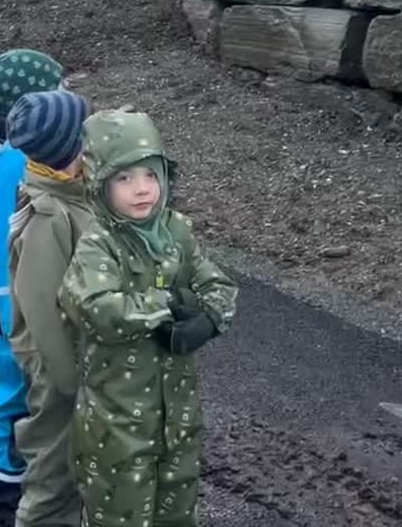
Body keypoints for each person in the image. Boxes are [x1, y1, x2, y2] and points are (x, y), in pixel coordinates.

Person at [59, 110, 238, 527]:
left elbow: (220, 286)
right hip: (116, 426)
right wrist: (167, 303)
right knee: (121, 516)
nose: (142, 190)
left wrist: (208, 319)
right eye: (124, 178)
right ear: (100, 182)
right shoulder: (99, 244)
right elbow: (97, 309)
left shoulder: (175, 231)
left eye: (150, 175)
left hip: (178, 419)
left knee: (177, 514)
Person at [0, 49, 65, 515]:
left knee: (31, 389)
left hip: (22, 300)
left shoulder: (32, 156)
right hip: (15, 307)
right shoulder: (13, 164)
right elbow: (1, 240)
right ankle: (5, 473)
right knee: (13, 388)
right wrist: (8, 310)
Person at [6, 90, 92, 525]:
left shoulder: (71, 193)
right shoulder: (48, 217)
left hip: (77, 367)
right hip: (61, 375)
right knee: (52, 478)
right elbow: (44, 315)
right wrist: (71, 382)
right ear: (70, 147)